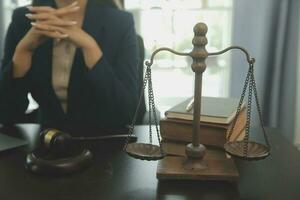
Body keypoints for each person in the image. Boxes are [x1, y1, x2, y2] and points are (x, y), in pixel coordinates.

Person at [0, 0, 139, 133]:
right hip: (47, 141)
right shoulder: (24, 19)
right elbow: (5, 114)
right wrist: (23, 51)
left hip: (105, 142)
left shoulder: (120, 23)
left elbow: (127, 114)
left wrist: (90, 47)